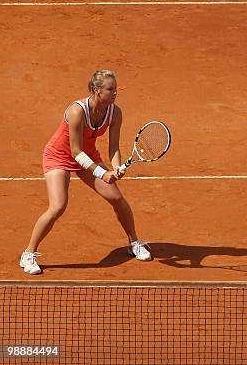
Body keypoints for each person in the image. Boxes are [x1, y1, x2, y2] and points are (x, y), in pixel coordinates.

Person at [20, 70, 151, 275]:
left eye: (116, 89)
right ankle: (28, 253)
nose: (115, 93)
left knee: (116, 197)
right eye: (110, 89)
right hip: (59, 156)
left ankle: (134, 242)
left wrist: (116, 166)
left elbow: (113, 147)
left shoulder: (114, 113)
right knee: (58, 206)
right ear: (97, 90)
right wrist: (101, 173)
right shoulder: (77, 111)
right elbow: (75, 151)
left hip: (87, 156)